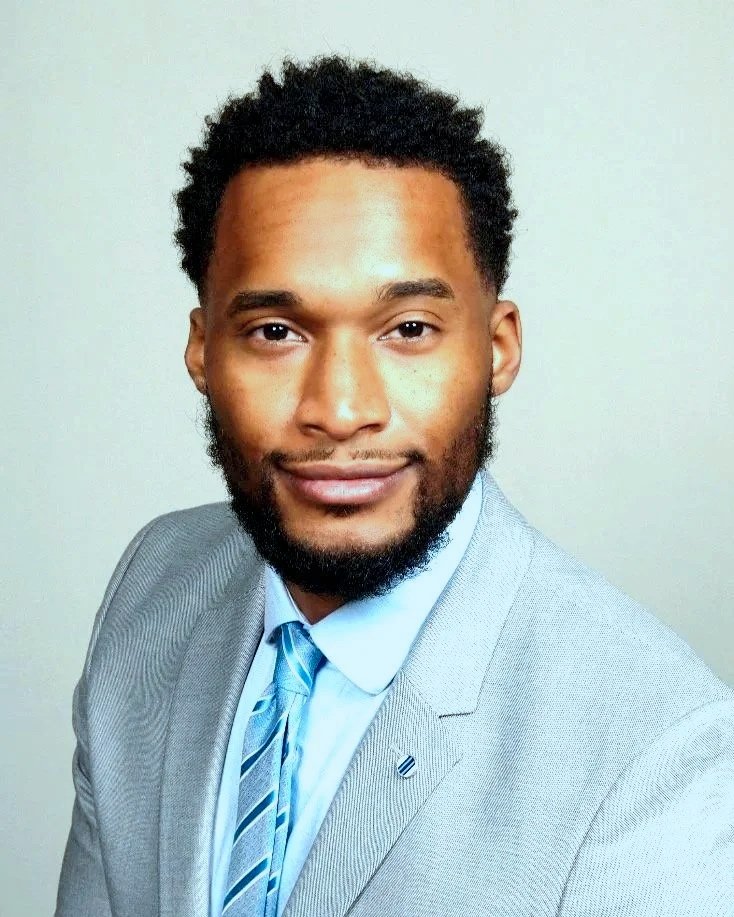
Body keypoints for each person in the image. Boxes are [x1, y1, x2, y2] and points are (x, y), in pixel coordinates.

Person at [55, 56, 734, 917]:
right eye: (276, 331)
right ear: (202, 350)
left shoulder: (657, 754)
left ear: (497, 348)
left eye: (408, 328)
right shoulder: (156, 583)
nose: (341, 410)